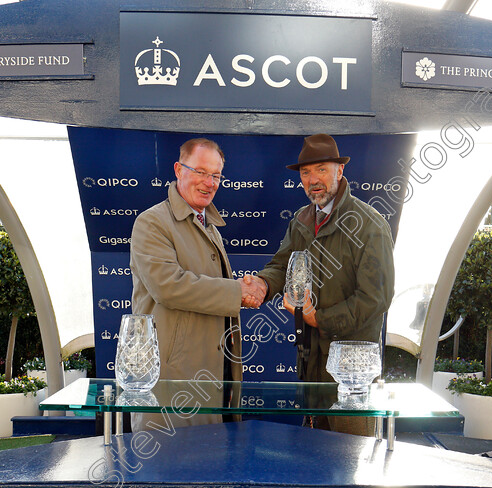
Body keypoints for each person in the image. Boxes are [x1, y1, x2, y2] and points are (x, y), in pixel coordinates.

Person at [248, 133, 395, 435]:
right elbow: (280, 264)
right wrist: (263, 285)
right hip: (311, 361)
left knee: (352, 458)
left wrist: (320, 319)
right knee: (314, 456)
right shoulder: (301, 221)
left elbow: (376, 298)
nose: (313, 179)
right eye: (306, 172)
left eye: (321, 169)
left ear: (340, 172)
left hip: (352, 372)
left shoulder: (370, 225)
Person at [129, 138, 263, 431]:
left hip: (214, 379)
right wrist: (238, 291)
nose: (209, 182)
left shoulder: (209, 225)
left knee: (212, 470)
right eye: (200, 171)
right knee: (169, 471)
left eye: (215, 175)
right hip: (174, 381)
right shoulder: (151, 222)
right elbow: (169, 286)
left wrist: (248, 287)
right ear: (178, 169)